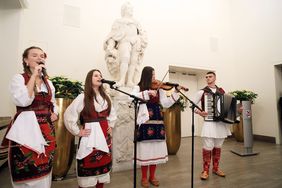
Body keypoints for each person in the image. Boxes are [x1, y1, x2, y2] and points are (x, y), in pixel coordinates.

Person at [2, 46, 58, 188]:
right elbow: (23, 101)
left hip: (46, 129)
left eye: (41, 55)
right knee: (27, 165)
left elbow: (53, 103)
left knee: (44, 166)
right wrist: (33, 76)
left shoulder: (48, 83)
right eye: (34, 55)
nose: (40, 58)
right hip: (25, 129)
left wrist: (55, 113)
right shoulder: (19, 79)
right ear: (26, 60)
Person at [64, 69, 116, 188]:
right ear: (89, 79)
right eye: (96, 75)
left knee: (103, 165)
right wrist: (77, 131)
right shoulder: (82, 97)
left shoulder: (106, 97)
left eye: (100, 75)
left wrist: (111, 126)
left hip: (104, 134)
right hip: (90, 134)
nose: (99, 77)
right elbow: (69, 115)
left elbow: (112, 114)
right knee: (87, 163)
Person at [132, 66, 180, 187]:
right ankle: (143, 178)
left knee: (155, 150)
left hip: (158, 120)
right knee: (145, 150)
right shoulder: (139, 87)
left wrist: (176, 93)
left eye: (155, 74)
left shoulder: (160, 89)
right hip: (145, 120)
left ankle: (152, 176)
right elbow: (130, 97)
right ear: (146, 76)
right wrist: (147, 93)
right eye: (152, 75)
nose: (154, 77)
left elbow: (165, 103)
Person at [193, 71, 231, 180]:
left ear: (215, 78)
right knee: (207, 147)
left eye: (210, 76)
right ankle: (205, 170)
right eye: (206, 77)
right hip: (209, 123)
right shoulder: (202, 92)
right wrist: (200, 112)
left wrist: (237, 109)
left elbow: (228, 106)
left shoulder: (222, 91)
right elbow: (193, 106)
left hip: (221, 124)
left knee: (218, 147)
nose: (208, 78)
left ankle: (216, 168)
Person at [104, 1, 148, 87]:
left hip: (136, 41)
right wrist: (110, 45)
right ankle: (122, 79)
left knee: (133, 61)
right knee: (125, 58)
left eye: (132, 9)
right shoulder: (118, 21)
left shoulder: (136, 22)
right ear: (124, 10)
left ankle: (130, 81)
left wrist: (141, 39)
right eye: (129, 8)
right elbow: (113, 35)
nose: (131, 10)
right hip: (125, 41)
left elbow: (142, 33)